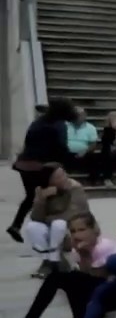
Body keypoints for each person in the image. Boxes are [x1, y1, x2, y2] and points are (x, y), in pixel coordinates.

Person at [0, 212, 116, 318]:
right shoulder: (79, 248)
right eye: (73, 231)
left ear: (94, 229)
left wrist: (85, 254)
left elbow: (102, 276)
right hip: (97, 290)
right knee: (57, 277)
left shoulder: (104, 246)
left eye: (82, 230)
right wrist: (80, 253)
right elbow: (85, 275)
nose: (77, 235)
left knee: (75, 278)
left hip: (115, 294)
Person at [8, 97, 75, 243]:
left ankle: (16, 225)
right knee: (56, 194)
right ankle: (51, 229)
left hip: (24, 164)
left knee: (31, 196)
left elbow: (28, 141)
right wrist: (69, 162)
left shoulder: (37, 122)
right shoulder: (59, 124)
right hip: (44, 165)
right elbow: (61, 147)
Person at [23, 164, 90, 279]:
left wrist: (48, 219)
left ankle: (52, 261)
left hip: (71, 231)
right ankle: (48, 261)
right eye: (58, 177)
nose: (63, 178)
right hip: (52, 232)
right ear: (48, 180)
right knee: (32, 227)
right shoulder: (41, 190)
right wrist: (42, 199)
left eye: (63, 174)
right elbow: (36, 218)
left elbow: (73, 214)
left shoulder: (75, 188)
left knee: (58, 224)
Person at [64, 107, 99, 179]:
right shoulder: (65, 126)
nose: (78, 117)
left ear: (85, 116)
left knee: (94, 158)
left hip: (84, 153)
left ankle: (93, 180)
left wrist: (84, 151)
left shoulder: (91, 128)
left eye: (80, 115)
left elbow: (93, 144)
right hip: (67, 153)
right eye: (76, 115)